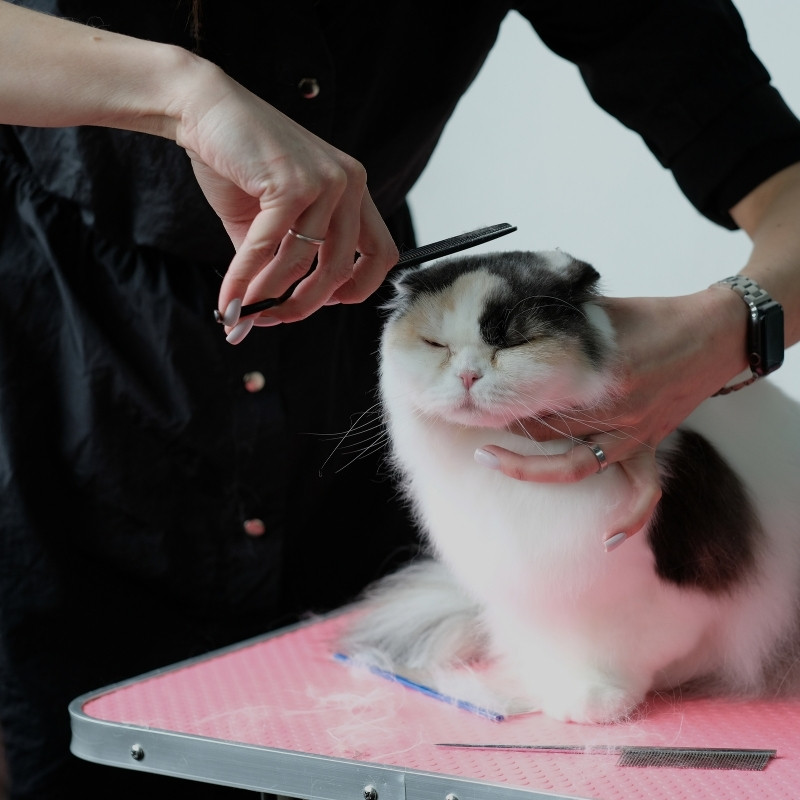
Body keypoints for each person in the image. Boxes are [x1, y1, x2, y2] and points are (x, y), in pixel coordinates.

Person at [1, 0, 799, 797]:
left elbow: (775, 168)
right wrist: (181, 91)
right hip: (73, 363)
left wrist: (734, 322)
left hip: (342, 385)